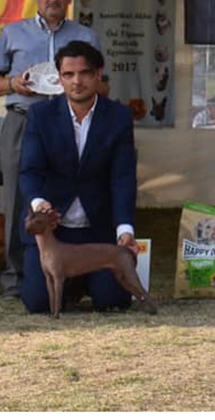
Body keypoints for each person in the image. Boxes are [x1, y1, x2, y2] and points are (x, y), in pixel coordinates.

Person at [18, 40, 139, 313]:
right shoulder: (40, 115)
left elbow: (122, 177)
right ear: (59, 78)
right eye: (68, 74)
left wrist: (125, 230)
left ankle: (84, 281)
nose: (76, 81)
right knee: (38, 303)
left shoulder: (119, 116)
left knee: (113, 301)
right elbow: (29, 170)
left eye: (84, 73)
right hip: (52, 231)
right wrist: (38, 204)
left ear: (98, 74)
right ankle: (72, 284)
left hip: (97, 232)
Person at [0, 0, 100, 297]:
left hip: (68, 123)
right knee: (17, 197)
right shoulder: (11, 33)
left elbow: (104, 84)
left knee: (66, 193)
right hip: (22, 120)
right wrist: (13, 84)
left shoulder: (86, 36)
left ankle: (65, 274)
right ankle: (15, 278)